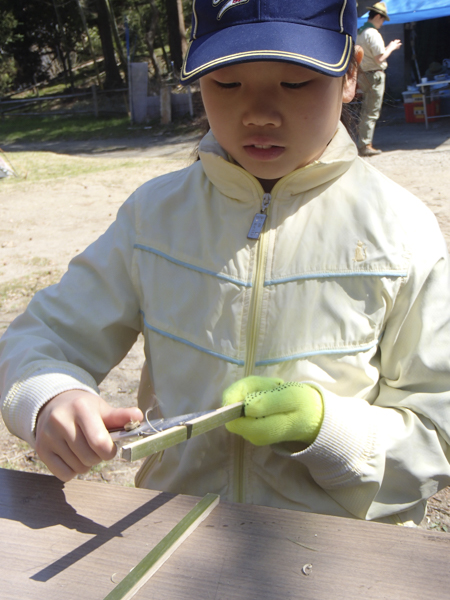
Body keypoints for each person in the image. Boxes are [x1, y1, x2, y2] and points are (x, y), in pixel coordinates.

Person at [2, 0, 450, 528]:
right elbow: (43, 337)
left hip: (342, 554)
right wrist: (50, 395)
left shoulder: (400, 228)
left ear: (350, 75)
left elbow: (436, 431)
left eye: (296, 81)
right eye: (228, 83)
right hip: (172, 533)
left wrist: (328, 430)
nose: (259, 112)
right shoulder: (154, 216)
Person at [357, 2, 402, 156]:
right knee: (371, 111)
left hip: (364, 73)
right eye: (382, 20)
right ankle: (365, 145)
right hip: (374, 74)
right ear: (377, 16)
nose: (382, 23)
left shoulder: (360, 32)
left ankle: (363, 142)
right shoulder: (372, 33)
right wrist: (391, 47)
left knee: (365, 110)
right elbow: (379, 58)